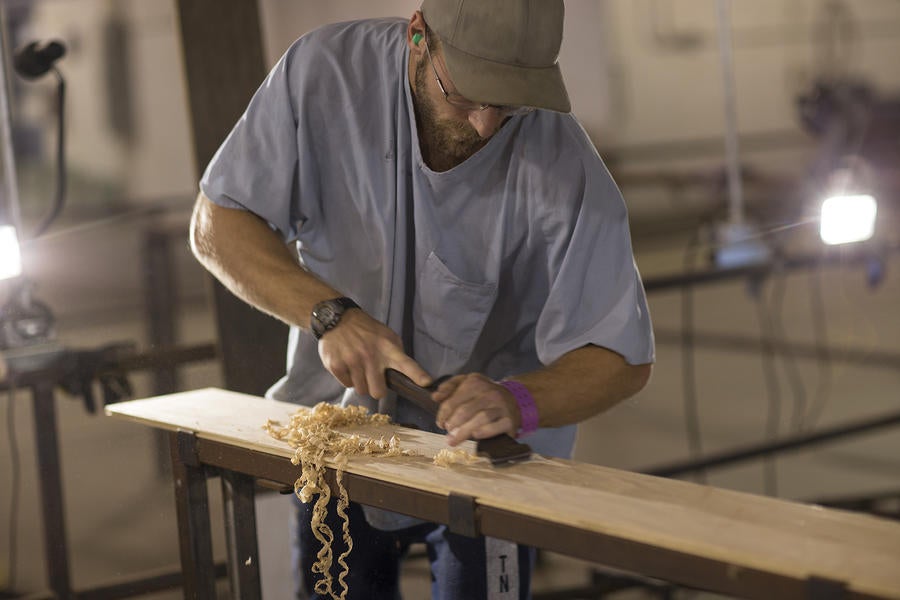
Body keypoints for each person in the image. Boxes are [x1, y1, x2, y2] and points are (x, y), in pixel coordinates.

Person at [190, 0, 655, 597]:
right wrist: (328, 314)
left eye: (509, 103)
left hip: (482, 455)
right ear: (419, 39)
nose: (487, 123)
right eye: (466, 96)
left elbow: (622, 357)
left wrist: (518, 400)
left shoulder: (564, 166)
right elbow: (218, 222)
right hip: (339, 431)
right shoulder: (322, 75)